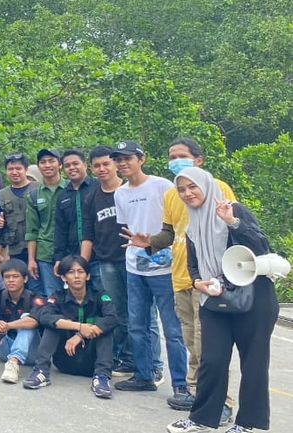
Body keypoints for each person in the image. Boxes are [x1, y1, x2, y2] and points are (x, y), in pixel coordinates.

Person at [161, 168, 278, 433]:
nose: (188, 193)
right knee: (211, 359)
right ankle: (201, 418)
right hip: (214, 297)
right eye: (182, 189)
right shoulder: (192, 225)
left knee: (254, 362)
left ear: (206, 185)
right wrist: (197, 282)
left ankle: (249, 424)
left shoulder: (233, 209)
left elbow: (262, 247)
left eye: (193, 187)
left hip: (254, 297)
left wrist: (232, 222)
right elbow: (194, 264)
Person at [159, 138, 237, 417]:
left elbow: (233, 229)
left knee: (209, 347)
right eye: (171, 156)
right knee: (192, 343)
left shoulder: (218, 188)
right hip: (182, 277)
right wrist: (149, 242)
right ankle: (197, 396)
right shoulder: (172, 194)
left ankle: (222, 403)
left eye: (181, 155)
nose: (175, 160)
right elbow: (170, 233)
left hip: (210, 279)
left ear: (199, 160)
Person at [112, 140, 189, 404]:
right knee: (137, 325)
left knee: (172, 328)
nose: (122, 163)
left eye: (127, 158)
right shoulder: (120, 193)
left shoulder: (163, 186)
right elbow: (127, 227)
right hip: (134, 266)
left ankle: (181, 384)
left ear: (141, 159)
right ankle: (144, 375)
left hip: (164, 267)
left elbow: (175, 222)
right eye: (118, 159)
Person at [23, 255, 117, 400]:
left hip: (92, 362)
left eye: (80, 272)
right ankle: (41, 371)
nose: (76, 276)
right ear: (64, 278)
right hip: (66, 360)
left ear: (88, 275)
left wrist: (80, 335)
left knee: (104, 328)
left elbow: (112, 318)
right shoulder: (58, 297)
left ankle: (102, 378)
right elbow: (45, 316)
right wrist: (79, 326)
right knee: (53, 324)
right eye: (71, 272)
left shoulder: (100, 296)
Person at [82, 145, 138, 375]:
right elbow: (88, 234)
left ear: (115, 164)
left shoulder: (129, 191)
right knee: (116, 312)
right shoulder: (91, 196)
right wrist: (82, 265)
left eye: (106, 163)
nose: (102, 169)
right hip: (106, 261)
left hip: (134, 259)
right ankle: (123, 358)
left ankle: (150, 364)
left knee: (140, 314)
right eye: (97, 165)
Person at [26, 148, 67, 297]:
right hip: (45, 253)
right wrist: (31, 259)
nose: (47, 165)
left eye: (51, 161)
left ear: (60, 164)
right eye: (43, 162)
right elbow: (32, 230)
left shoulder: (71, 188)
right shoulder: (34, 195)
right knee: (52, 296)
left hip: (70, 252)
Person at [54, 150, 98, 268]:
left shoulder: (98, 187)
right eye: (67, 166)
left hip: (99, 257)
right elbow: (60, 229)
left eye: (75, 164)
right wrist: (59, 258)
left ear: (85, 165)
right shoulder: (63, 196)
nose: (72, 168)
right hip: (73, 258)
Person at [0, 153, 35, 268]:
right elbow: (0, 221)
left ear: (26, 169)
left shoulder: (38, 189)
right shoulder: (2, 194)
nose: (14, 172)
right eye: (10, 169)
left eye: (18, 168)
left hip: (37, 247)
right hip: (15, 249)